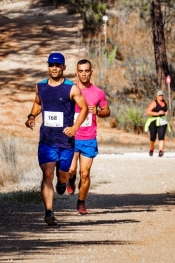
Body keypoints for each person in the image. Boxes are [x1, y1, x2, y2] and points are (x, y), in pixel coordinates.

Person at [25, 52, 88, 226]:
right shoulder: (41, 87)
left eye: (57, 65)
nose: (54, 68)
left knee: (62, 176)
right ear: (48, 67)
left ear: (63, 67)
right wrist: (32, 116)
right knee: (47, 174)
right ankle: (49, 212)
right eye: (51, 65)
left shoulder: (71, 88)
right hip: (47, 140)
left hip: (65, 142)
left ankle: (63, 182)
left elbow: (84, 109)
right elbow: (38, 103)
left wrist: (75, 127)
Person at [67, 59, 111, 215]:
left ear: (91, 72)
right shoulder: (70, 90)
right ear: (77, 72)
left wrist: (97, 112)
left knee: (85, 174)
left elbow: (107, 111)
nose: (84, 74)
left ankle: (81, 202)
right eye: (81, 71)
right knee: (71, 169)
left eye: (87, 71)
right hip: (72, 137)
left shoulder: (98, 92)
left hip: (88, 138)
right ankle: (70, 179)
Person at [144, 90, 170, 157]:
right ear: (156, 96)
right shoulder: (154, 103)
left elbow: (166, 110)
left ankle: (161, 151)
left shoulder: (165, 102)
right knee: (153, 137)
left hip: (163, 121)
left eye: (162, 95)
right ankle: (151, 148)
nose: (161, 96)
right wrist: (157, 113)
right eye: (159, 95)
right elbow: (148, 112)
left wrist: (166, 113)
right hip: (153, 120)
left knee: (161, 136)